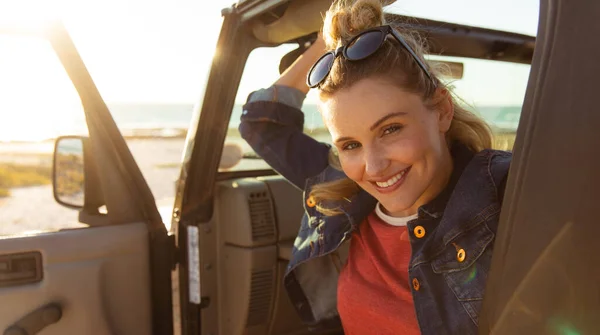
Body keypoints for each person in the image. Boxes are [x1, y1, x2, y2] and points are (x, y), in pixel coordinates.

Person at [239, 0, 511, 334]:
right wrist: (338, 39)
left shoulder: (505, 192)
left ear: (441, 110)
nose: (374, 166)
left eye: (391, 129)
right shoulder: (343, 189)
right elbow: (261, 122)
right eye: (350, 144)